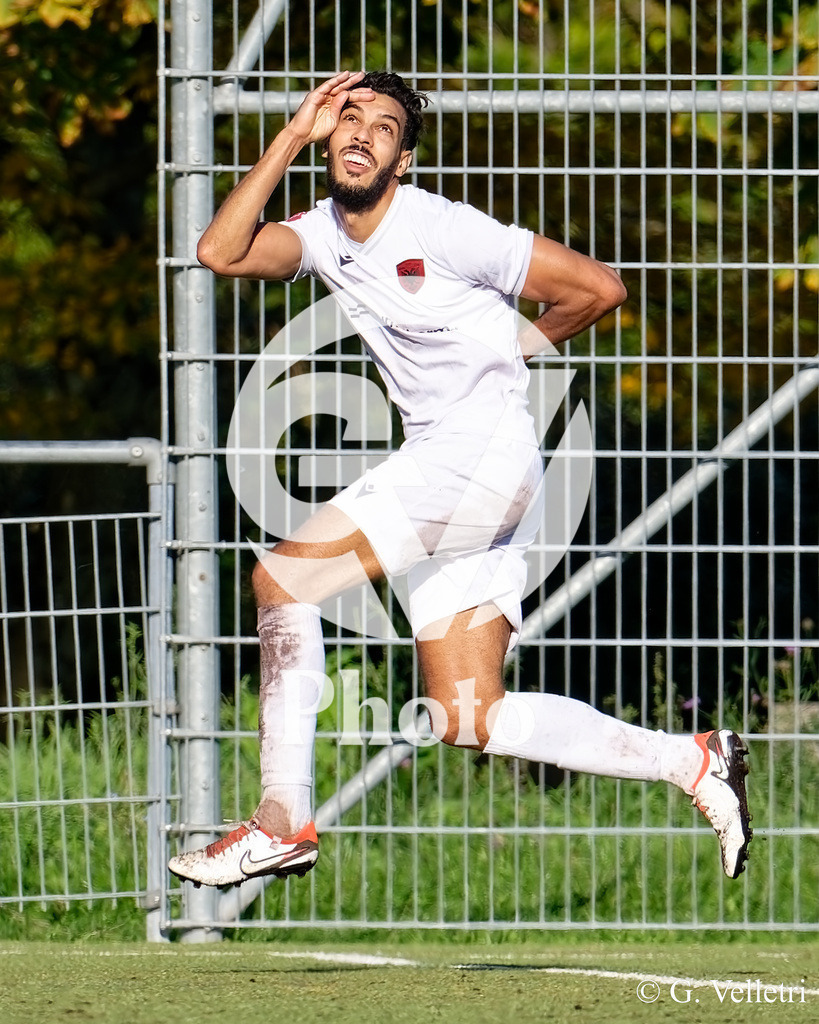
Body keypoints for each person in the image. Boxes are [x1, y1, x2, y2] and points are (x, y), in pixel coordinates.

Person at [169, 70, 751, 889]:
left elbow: (597, 288)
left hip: (477, 458)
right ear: (330, 139)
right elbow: (219, 252)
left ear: (402, 160)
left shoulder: (443, 228)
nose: (362, 133)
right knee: (468, 714)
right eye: (349, 118)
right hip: (469, 469)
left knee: (282, 580)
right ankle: (692, 759)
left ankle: (280, 821)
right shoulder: (321, 233)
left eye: (384, 127)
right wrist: (290, 134)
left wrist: (516, 349)